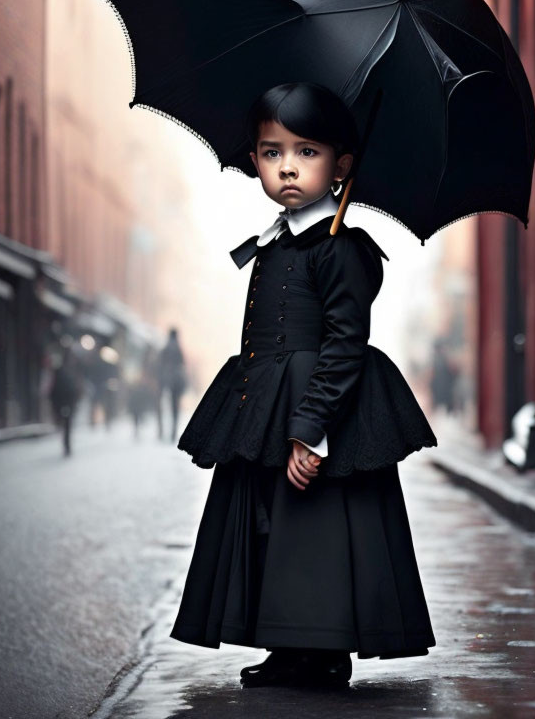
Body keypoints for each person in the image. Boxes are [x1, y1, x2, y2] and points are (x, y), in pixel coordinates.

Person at [170, 82, 438, 688]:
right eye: (271, 152)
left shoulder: (342, 249)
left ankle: (323, 646)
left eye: (307, 151)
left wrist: (311, 429)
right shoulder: (278, 239)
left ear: (341, 166)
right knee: (272, 521)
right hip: (266, 398)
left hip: (318, 403)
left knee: (315, 526)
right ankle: (288, 644)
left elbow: (345, 344)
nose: (287, 166)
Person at [158, 328, 189, 441]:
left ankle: (161, 432)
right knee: (175, 408)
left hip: (166, 380)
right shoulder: (178, 348)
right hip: (177, 382)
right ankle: (173, 433)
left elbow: (160, 364)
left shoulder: (165, 348)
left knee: (161, 406)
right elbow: (183, 364)